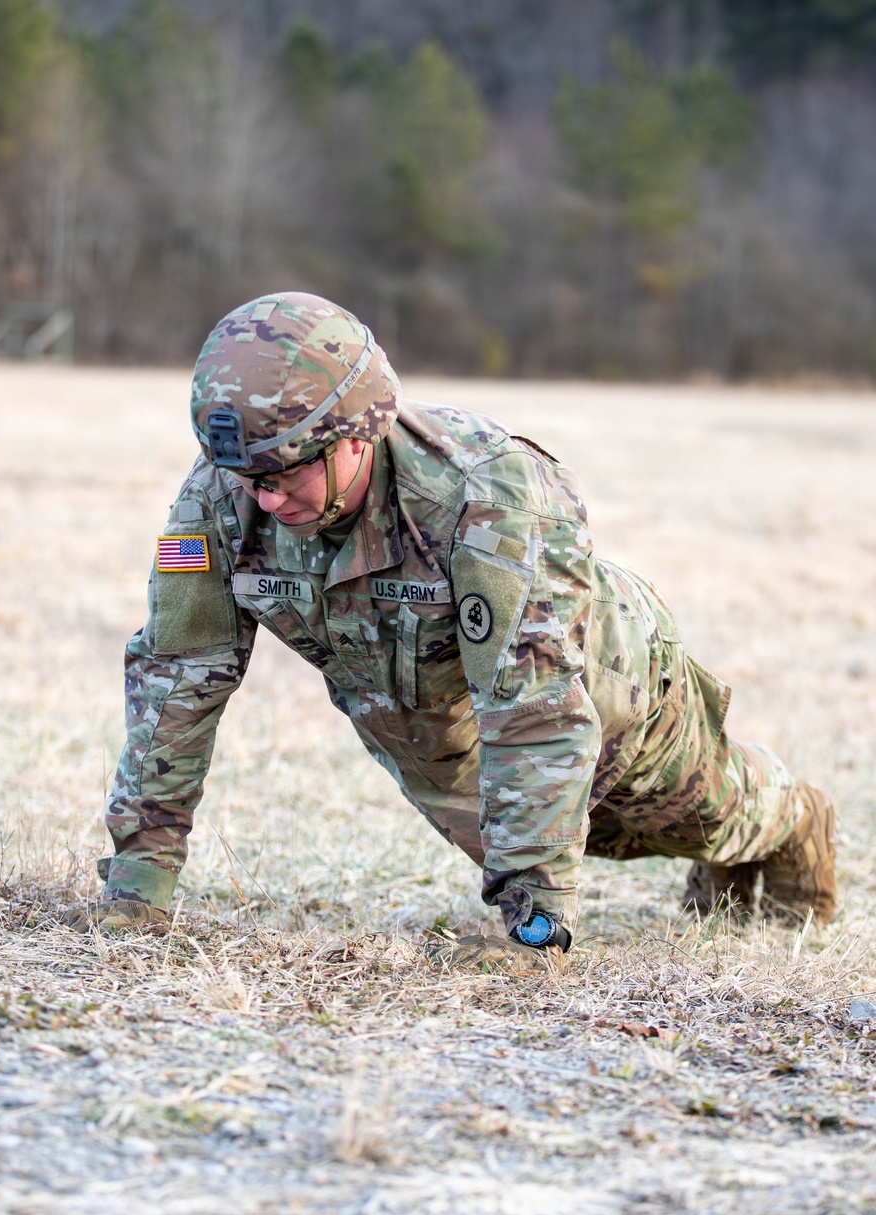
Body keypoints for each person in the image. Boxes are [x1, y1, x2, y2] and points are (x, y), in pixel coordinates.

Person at [60, 292, 837, 955]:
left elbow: (536, 710)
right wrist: (139, 890)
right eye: (246, 476)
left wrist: (536, 937)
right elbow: (176, 682)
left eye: (286, 473)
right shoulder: (219, 500)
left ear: (356, 435)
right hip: (435, 725)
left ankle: (798, 818)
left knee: (702, 818)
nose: (263, 499)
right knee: (579, 839)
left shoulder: (485, 493)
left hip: (604, 684)